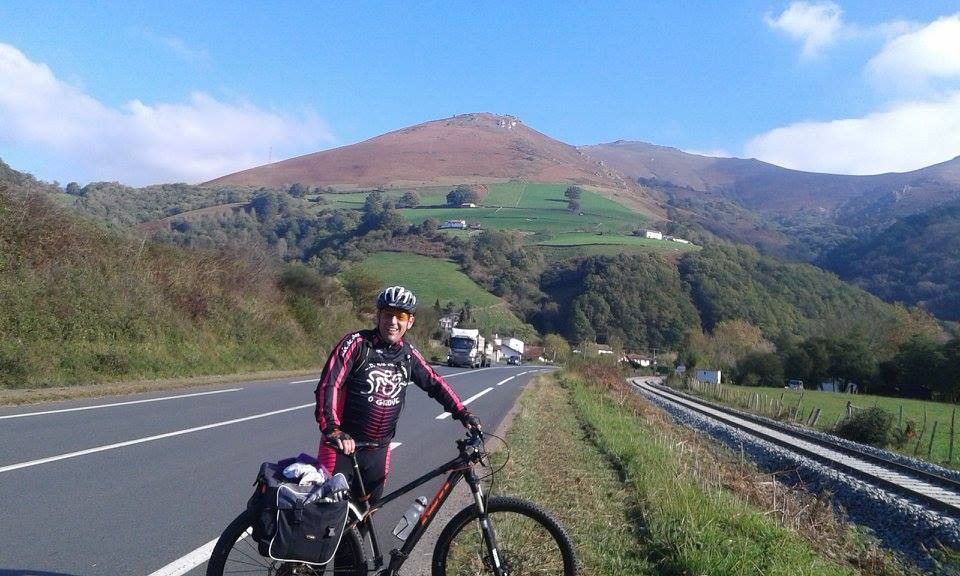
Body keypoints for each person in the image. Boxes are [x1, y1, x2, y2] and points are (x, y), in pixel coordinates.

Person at [314, 285, 481, 502]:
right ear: (378, 316)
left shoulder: (408, 355)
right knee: (328, 518)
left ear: (409, 321)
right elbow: (329, 385)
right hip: (342, 447)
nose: (393, 321)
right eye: (387, 314)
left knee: (366, 517)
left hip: (379, 451)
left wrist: (463, 413)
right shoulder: (356, 345)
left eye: (400, 315)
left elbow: (435, 384)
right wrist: (333, 429)